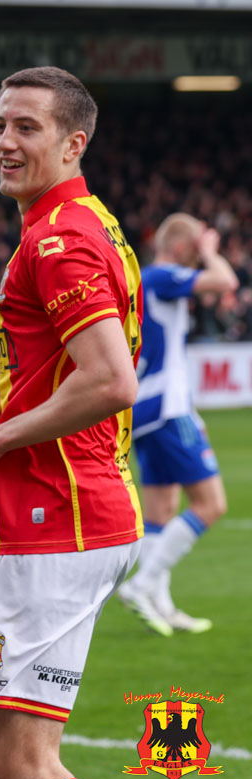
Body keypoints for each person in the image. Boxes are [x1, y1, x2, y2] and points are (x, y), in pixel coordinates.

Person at [0, 67, 142, 779]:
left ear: (73, 142)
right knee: (2, 738)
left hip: (62, 516)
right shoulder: (84, 222)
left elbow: (112, 379)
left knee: (21, 763)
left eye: (27, 127)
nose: (5, 142)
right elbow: (73, 369)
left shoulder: (58, 239)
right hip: (74, 509)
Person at [116, 213, 237, 635]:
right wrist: (212, 252)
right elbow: (226, 281)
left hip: (146, 409)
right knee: (211, 504)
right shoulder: (163, 275)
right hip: (168, 408)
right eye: (195, 250)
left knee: (161, 512)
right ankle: (141, 586)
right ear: (183, 247)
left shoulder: (150, 279)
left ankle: (161, 605)